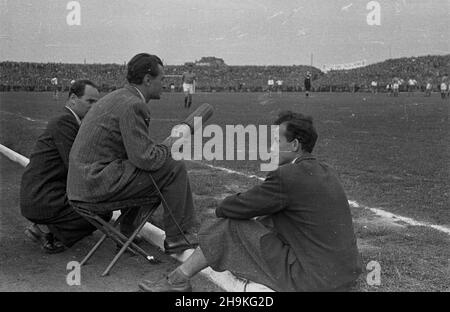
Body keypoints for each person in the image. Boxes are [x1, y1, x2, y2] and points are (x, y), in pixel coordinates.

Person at [139, 111, 362, 292]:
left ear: (294, 145)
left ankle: (177, 280)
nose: (271, 147)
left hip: (312, 281)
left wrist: (226, 210)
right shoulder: (326, 170)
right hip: (344, 275)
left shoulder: (287, 176)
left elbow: (230, 208)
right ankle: (189, 272)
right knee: (267, 220)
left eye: (276, 141)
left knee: (227, 225)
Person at [67, 53, 197, 254]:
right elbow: (145, 159)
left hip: (82, 183)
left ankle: (126, 231)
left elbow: (136, 153)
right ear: (147, 79)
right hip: (94, 183)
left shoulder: (118, 96)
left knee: (141, 171)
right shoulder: (134, 104)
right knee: (173, 167)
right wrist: (167, 146)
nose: (163, 84)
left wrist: (154, 150)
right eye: (161, 79)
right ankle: (179, 236)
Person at [20, 80, 109, 253]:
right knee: (102, 212)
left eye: (96, 103)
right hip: (42, 198)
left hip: (40, 193)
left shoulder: (67, 120)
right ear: (73, 99)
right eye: (90, 101)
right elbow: (76, 166)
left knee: (91, 204)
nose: (94, 107)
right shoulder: (65, 121)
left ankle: (45, 226)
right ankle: (49, 234)